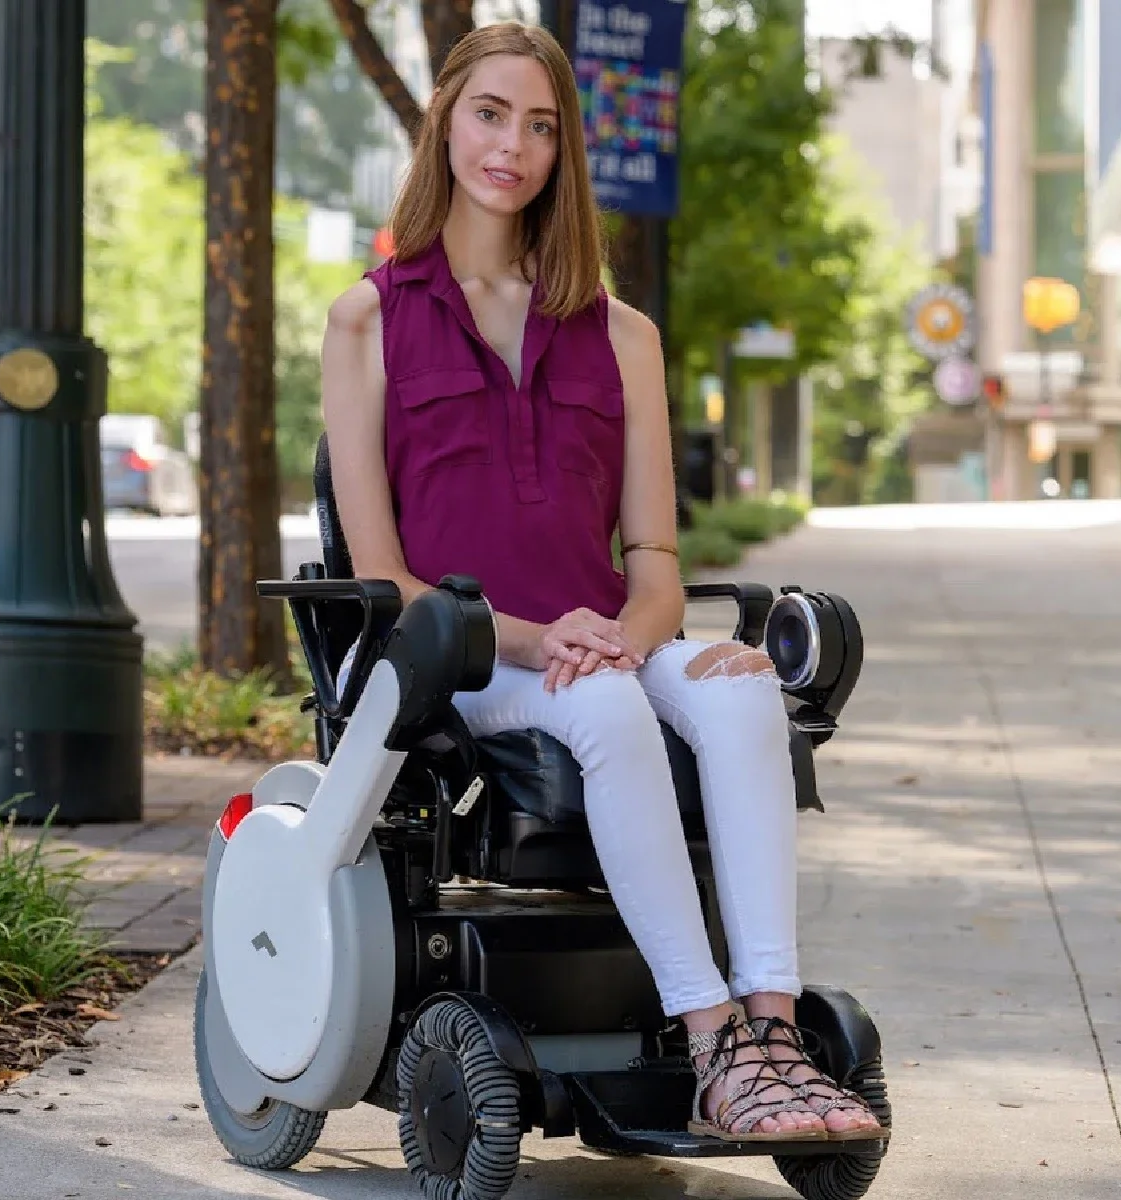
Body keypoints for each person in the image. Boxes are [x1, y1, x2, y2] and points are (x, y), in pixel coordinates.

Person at [321, 21, 881, 1144]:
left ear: (563, 152)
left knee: (737, 690)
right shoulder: (370, 319)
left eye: (541, 127)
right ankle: (713, 1033)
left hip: (604, 646)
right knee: (610, 703)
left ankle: (773, 1029)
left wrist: (633, 638)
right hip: (465, 660)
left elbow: (656, 566)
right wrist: (549, 643)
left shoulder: (622, 334)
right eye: (491, 114)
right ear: (444, 118)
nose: (512, 148)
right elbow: (382, 573)